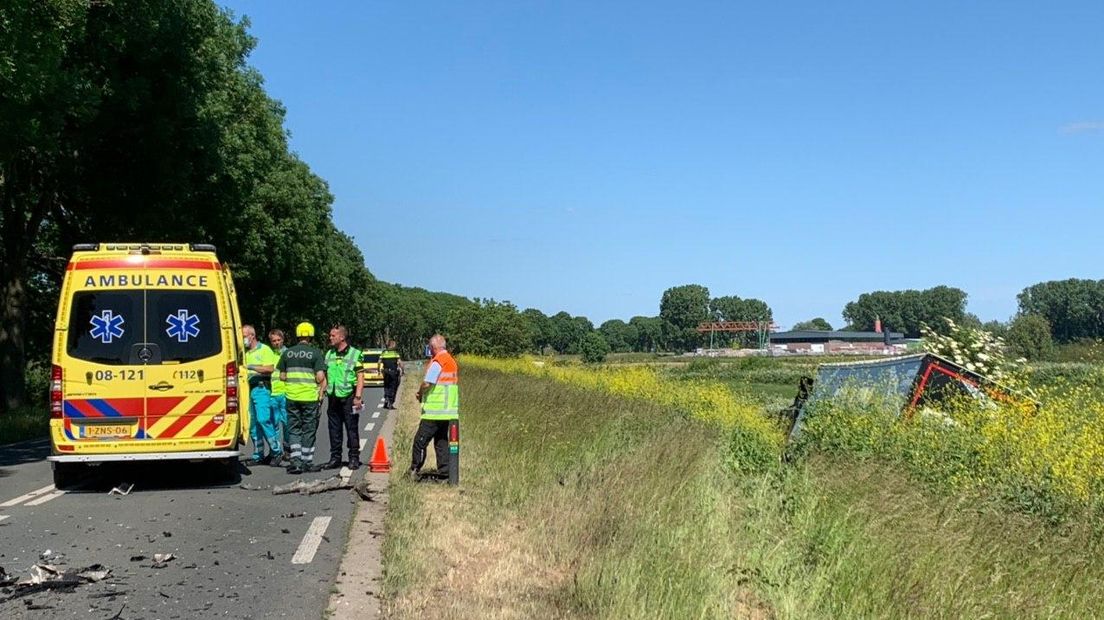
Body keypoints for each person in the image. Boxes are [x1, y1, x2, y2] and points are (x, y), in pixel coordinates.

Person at [278, 322, 327, 474]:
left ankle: (296, 462)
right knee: (309, 429)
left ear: (298, 335)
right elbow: (320, 378)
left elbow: (282, 376)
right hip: (309, 398)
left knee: (294, 430)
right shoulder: (316, 353)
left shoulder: (287, 353)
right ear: (311, 336)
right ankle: (307, 461)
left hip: (292, 397)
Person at [411, 334, 459, 479]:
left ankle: (415, 470)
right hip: (447, 411)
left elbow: (427, 383)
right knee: (441, 442)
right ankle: (444, 473)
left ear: (433, 347)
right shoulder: (451, 360)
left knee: (420, 442)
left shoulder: (438, 361)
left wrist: (419, 393)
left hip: (434, 412)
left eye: (430, 348)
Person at [321, 325, 365, 470]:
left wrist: (358, 396)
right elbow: (327, 375)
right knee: (334, 429)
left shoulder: (355, 354)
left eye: (333, 335)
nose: (330, 338)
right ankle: (335, 458)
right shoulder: (329, 354)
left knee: (351, 428)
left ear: (342, 337)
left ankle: (354, 458)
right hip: (333, 397)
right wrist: (322, 392)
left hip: (349, 396)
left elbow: (360, 376)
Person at [243, 325, 283, 465]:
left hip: (262, 388)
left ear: (252, 336)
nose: (243, 340)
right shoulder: (245, 353)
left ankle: (276, 450)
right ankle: (258, 454)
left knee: (263, 419)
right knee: (253, 424)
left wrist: (252, 367)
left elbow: (270, 368)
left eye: (244, 336)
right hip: (248, 389)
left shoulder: (264, 349)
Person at [268, 328, 290, 458]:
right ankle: (276, 450)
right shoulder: (269, 354)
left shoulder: (288, 354)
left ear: (283, 339)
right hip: (272, 393)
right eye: (274, 341)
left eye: (278, 340)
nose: (276, 343)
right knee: (274, 424)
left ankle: (287, 449)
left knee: (287, 423)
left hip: (286, 393)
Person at [381, 339, 403, 409]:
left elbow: (379, 362)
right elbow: (400, 363)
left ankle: (386, 398)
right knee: (393, 387)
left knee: (386, 386)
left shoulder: (383, 353)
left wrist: (379, 370)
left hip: (386, 372)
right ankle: (391, 402)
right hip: (393, 373)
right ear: (392, 345)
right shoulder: (395, 353)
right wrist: (403, 370)